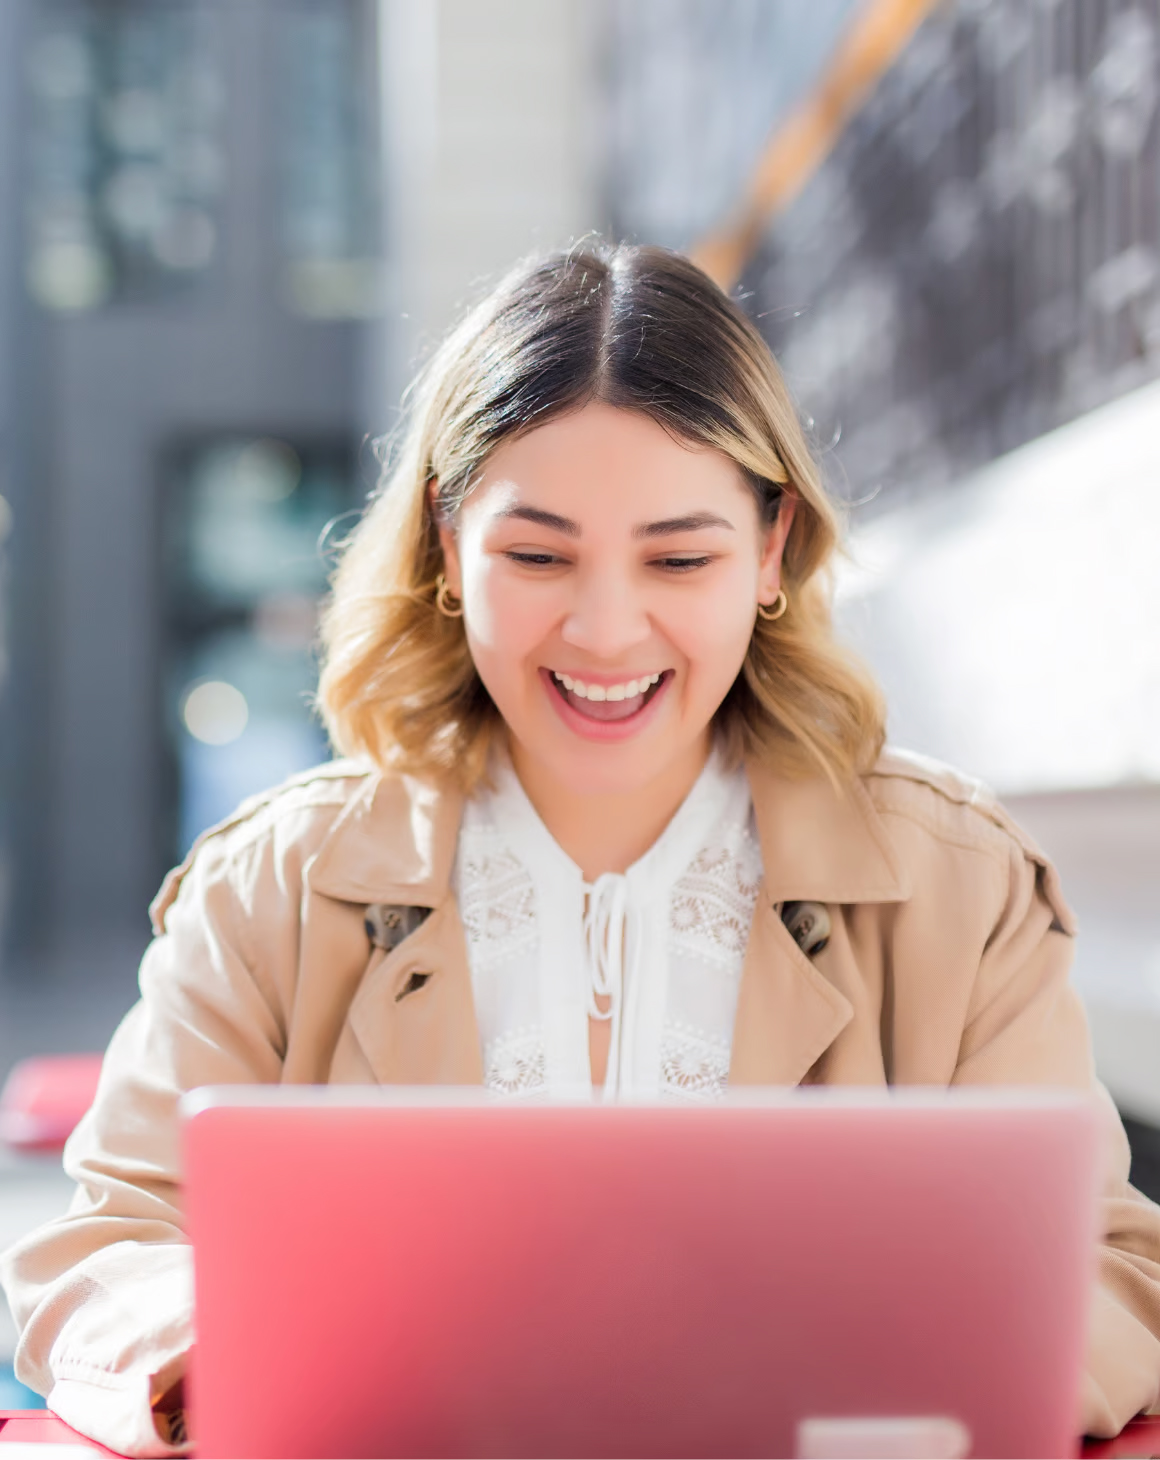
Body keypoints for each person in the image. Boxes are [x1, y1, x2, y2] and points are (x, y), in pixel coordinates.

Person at [3, 243, 1159, 1456]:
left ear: (771, 551)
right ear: (448, 548)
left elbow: (1109, 1265)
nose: (605, 632)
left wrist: (905, 1395)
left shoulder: (954, 882)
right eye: (539, 555)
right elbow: (109, 1239)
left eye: (678, 557)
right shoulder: (276, 884)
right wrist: (230, 1357)